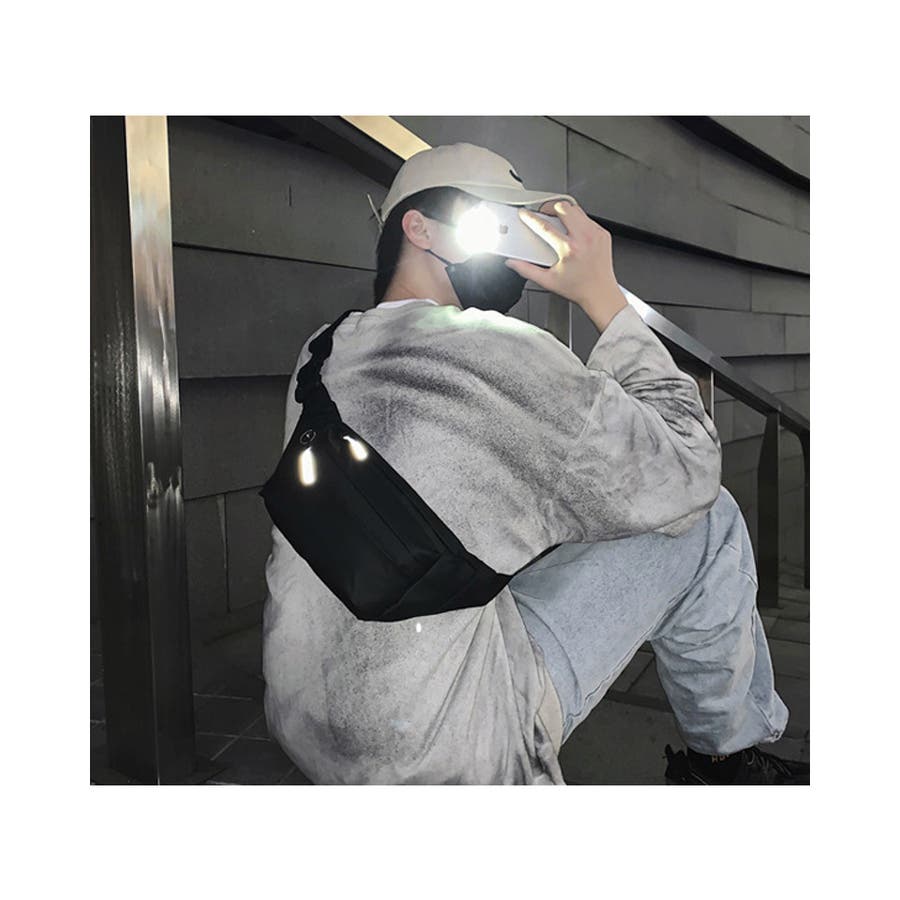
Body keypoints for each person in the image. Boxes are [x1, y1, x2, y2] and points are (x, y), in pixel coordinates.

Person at [261, 142, 809, 785]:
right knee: (706, 520)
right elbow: (688, 468)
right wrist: (604, 297)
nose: (509, 249)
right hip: (450, 749)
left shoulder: (323, 352)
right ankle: (725, 763)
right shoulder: (496, 350)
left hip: (304, 719)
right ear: (419, 228)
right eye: (491, 222)